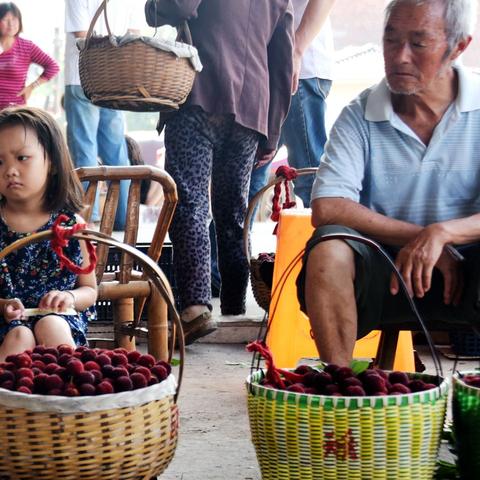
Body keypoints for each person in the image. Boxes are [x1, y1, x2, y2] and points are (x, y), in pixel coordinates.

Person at [296, 0, 480, 366]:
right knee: (329, 244)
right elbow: (328, 206)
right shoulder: (360, 115)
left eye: (418, 43)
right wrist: (419, 237)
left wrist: (442, 233)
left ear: (458, 47)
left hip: (467, 270)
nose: (400, 57)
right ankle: (340, 386)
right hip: (385, 269)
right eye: (391, 40)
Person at [145, 0, 294, 344]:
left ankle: (196, 307)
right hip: (251, 106)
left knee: (190, 202)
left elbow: (179, 6)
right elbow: (284, 62)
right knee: (233, 209)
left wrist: (152, 8)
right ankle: (233, 302)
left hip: (200, 91)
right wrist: (272, 131)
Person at [0, 107, 98, 361]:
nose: (10, 170)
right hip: (5, 325)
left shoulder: (71, 226)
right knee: (19, 336)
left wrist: (68, 297)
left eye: (22, 158)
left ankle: (66, 392)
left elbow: (90, 291)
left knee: (51, 325)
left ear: (52, 162)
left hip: (60, 320)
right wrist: (2, 306)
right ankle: (11, 398)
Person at [64, 0, 143, 230]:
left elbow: (82, 36)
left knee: (84, 150)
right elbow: (134, 35)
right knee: (117, 153)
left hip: (81, 78)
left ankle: (88, 223)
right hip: (113, 79)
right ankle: (123, 223)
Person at [249, 0, 336, 209]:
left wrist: (296, 49)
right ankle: (231, 243)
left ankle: (325, 241)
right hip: (269, 69)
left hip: (299, 70)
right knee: (246, 176)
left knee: (309, 179)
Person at [0, 2, 59, 110]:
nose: (11, 24)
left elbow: (53, 67)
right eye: (5, 19)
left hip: (14, 112)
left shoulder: (27, 47)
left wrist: (32, 87)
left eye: (14, 19)